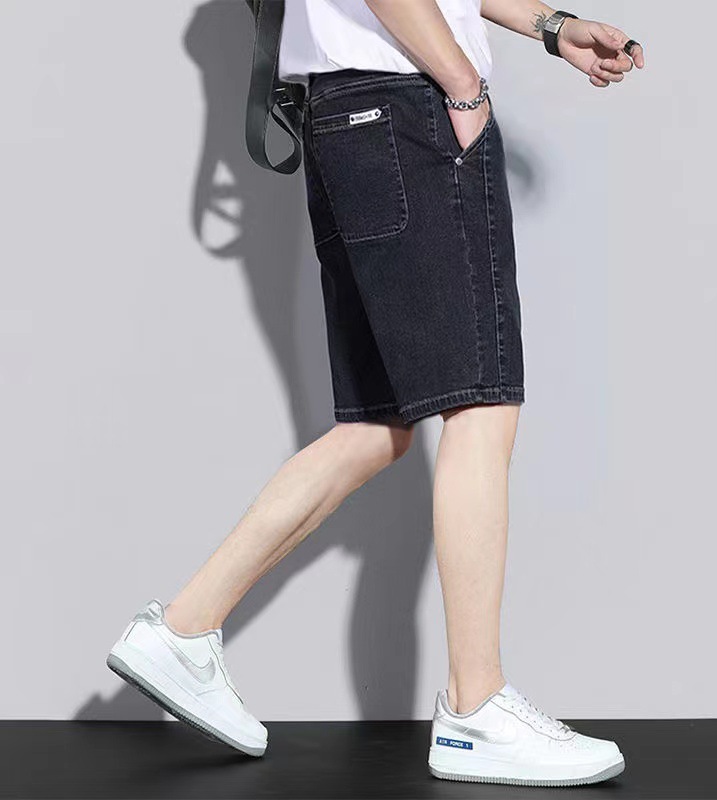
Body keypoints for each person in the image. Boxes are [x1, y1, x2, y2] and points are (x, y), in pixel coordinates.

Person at [106, 0, 644, 787]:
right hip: (405, 107)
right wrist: (462, 84)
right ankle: (476, 709)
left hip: (347, 119)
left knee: (375, 428)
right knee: (481, 401)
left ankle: (181, 633)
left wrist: (551, 27)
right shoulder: (436, 91)